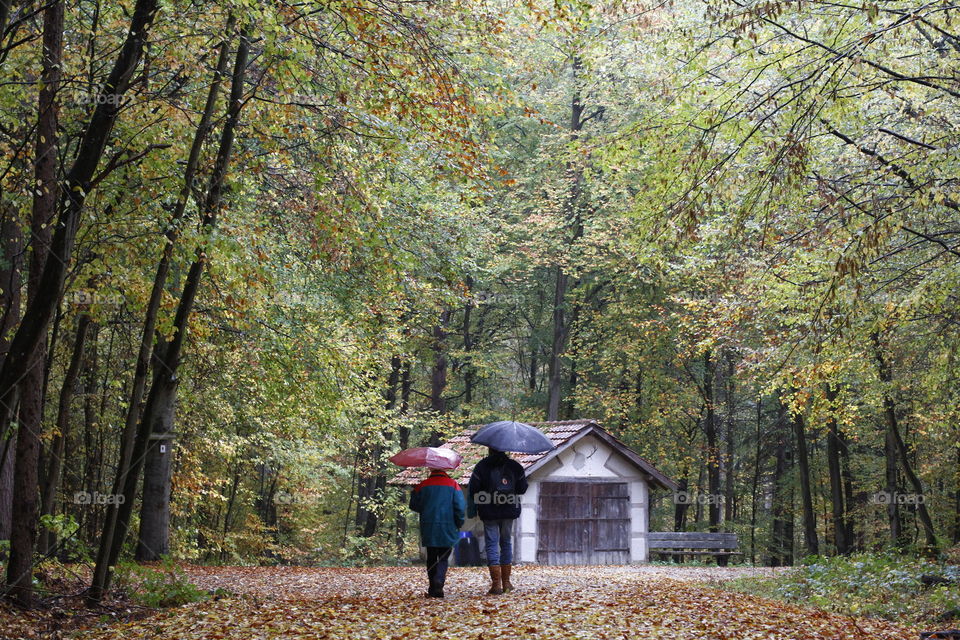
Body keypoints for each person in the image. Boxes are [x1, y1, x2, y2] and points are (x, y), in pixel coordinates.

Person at [468, 448, 528, 595]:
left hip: (489, 510)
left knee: (491, 543)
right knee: (506, 542)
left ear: (490, 449)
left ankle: (496, 585)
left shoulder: (482, 466)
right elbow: (522, 489)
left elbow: (473, 488)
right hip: (509, 509)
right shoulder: (515, 466)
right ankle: (507, 583)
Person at [409, 467, 466, 598]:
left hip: (429, 527)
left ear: (431, 469)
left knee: (431, 557)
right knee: (443, 557)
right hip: (448, 527)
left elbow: (414, 506)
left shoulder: (422, 485)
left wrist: (415, 494)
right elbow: (460, 507)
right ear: (444, 470)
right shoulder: (453, 485)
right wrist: (459, 522)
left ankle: (432, 587)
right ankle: (439, 581)